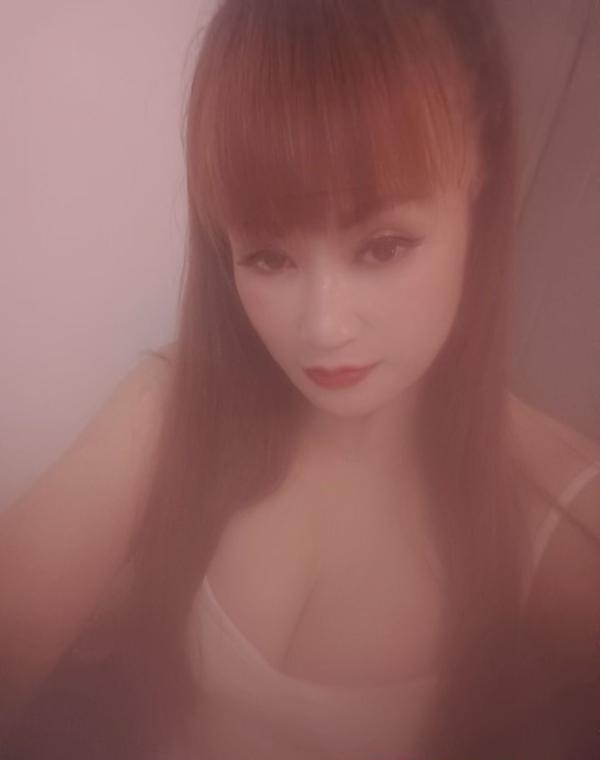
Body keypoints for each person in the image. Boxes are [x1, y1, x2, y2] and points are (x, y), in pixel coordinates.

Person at [2, 0, 600, 758]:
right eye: (269, 258)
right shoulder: (174, 412)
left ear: (478, 172)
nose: (322, 326)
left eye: (383, 246)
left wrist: (497, 419)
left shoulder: (534, 522)